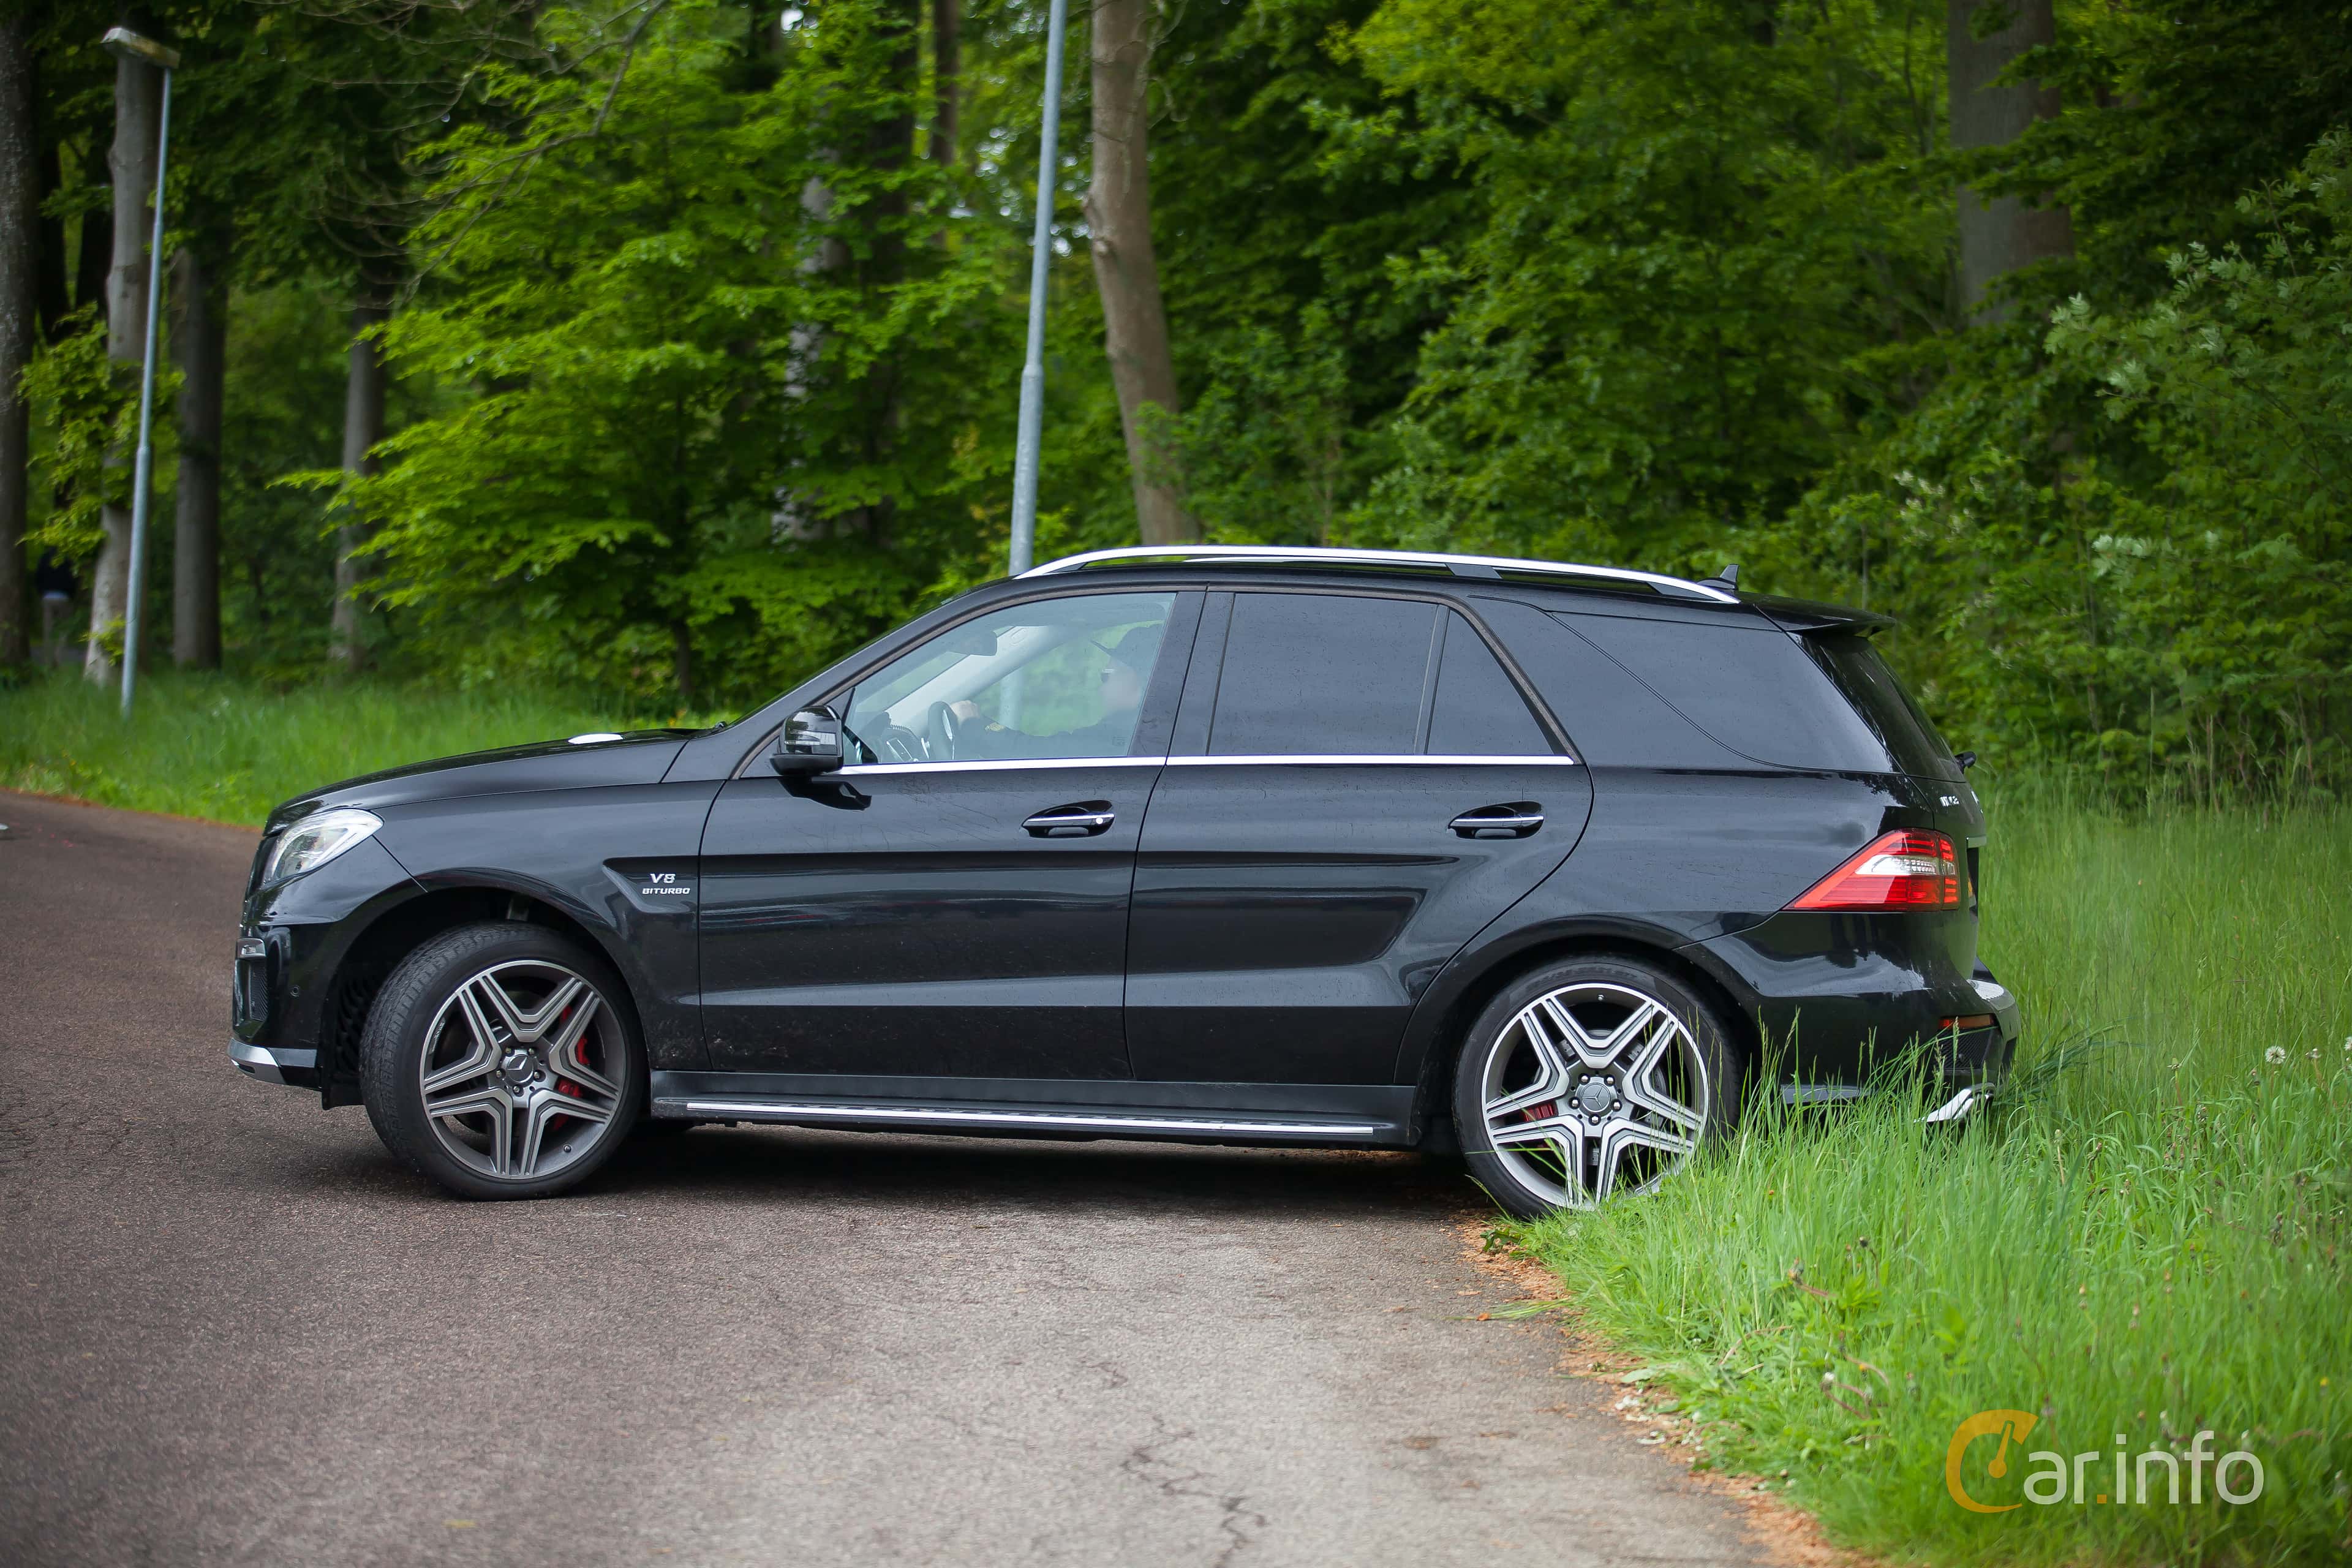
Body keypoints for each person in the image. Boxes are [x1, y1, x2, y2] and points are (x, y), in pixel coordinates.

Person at [950, 622, 1162, 760]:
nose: (1101, 687)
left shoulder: (1129, 739)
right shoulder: (1152, 734)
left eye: (1106, 674)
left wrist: (975, 727)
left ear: (1137, 679)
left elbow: (1041, 754)